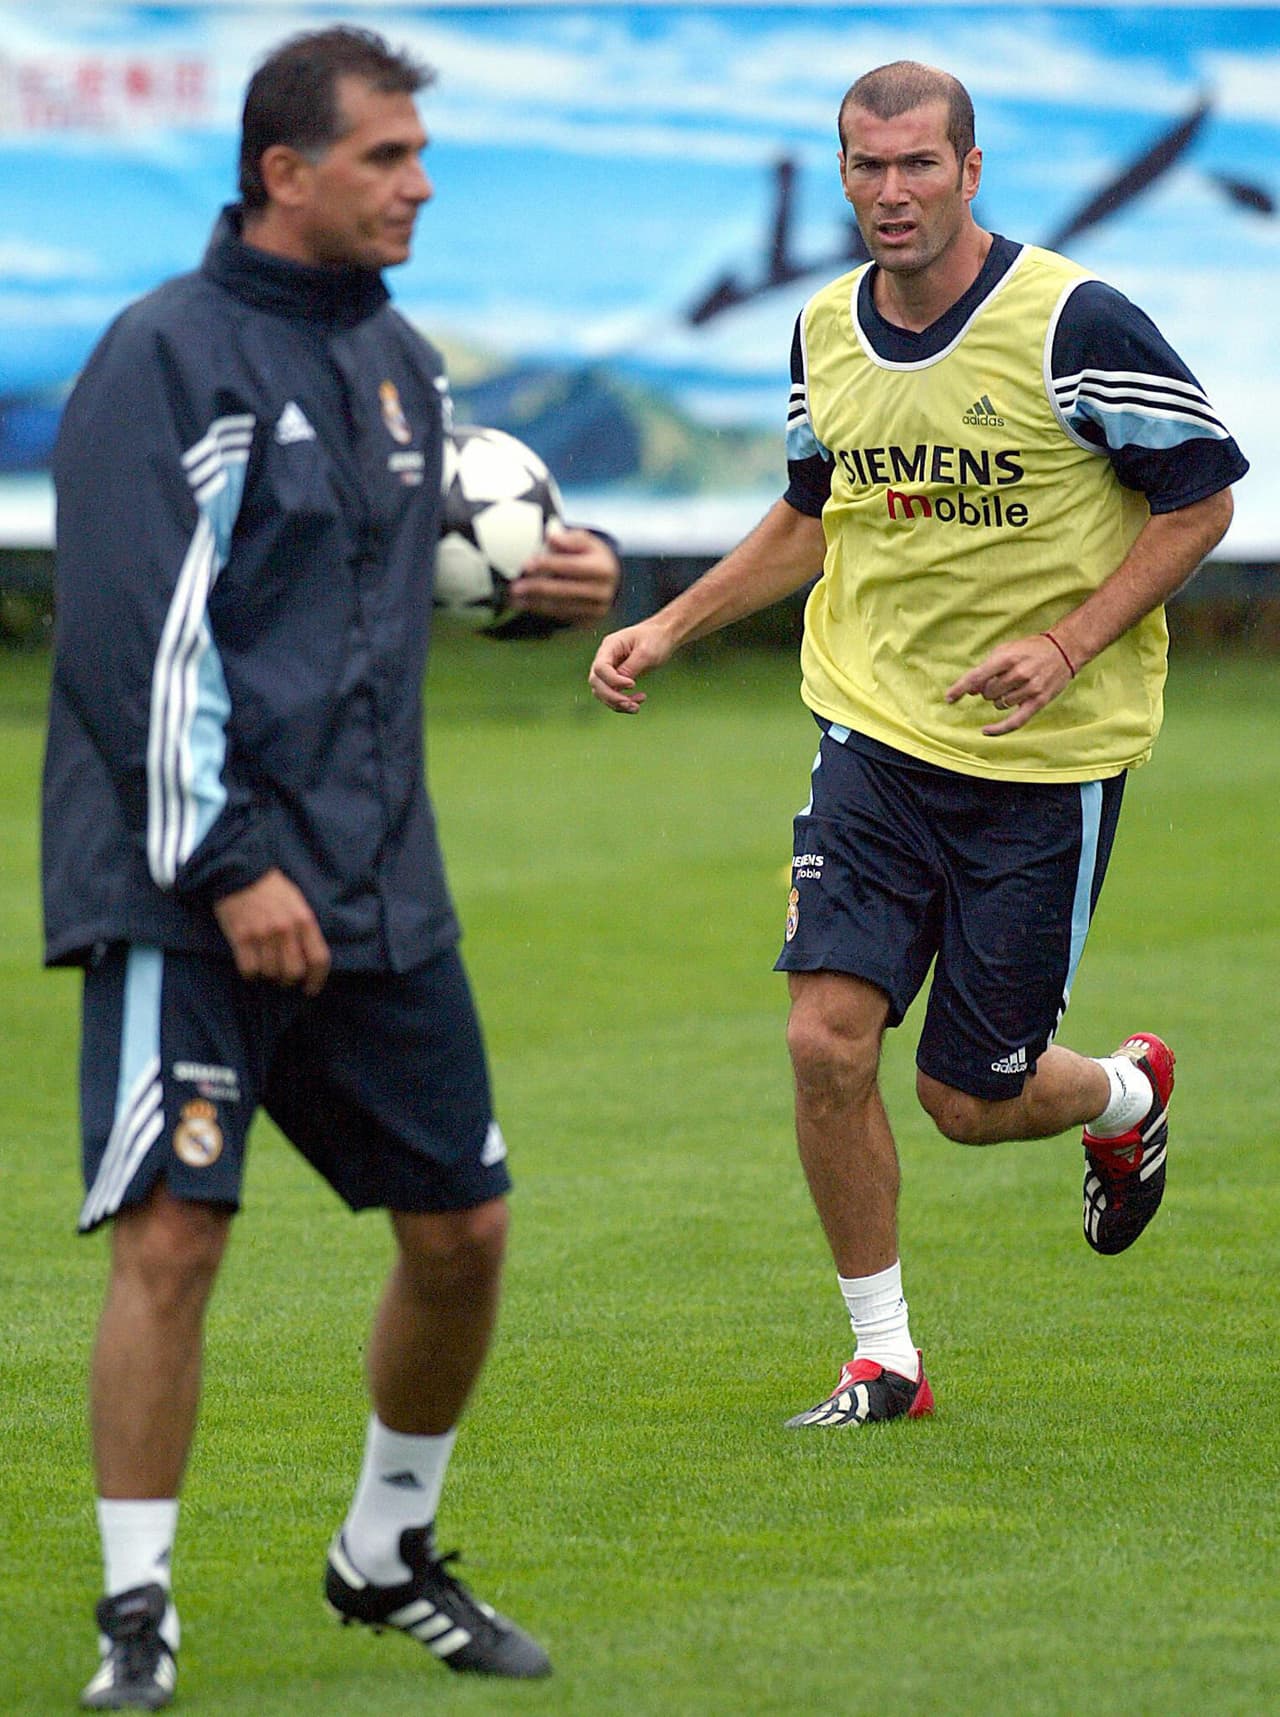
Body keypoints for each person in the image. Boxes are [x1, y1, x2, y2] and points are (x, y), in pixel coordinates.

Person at [43, 25, 619, 1710]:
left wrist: (529, 595)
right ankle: (135, 1616)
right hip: (190, 883)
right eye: (386, 157)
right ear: (285, 172)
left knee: (465, 1231)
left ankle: (385, 1553)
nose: (419, 183)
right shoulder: (166, 357)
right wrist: (226, 867)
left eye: (420, 155)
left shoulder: (400, 364)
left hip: (372, 883)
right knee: (173, 1238)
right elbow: (128, 640)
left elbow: (372, 597)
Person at [589, 61, 1247, 1431]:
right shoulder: (824, 328)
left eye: (917, 166)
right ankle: (884, 1358)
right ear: (843, 175)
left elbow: (1202, 501)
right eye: (865, 167)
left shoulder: (1073, 321)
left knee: (969, 1095)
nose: (891, 192)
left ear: (970, 169)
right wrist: (671, 624)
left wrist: (1065, 644)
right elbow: (813, 515)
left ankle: (1125, 1089)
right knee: (826, 1043)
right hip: (874, 736)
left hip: (1045, 762)